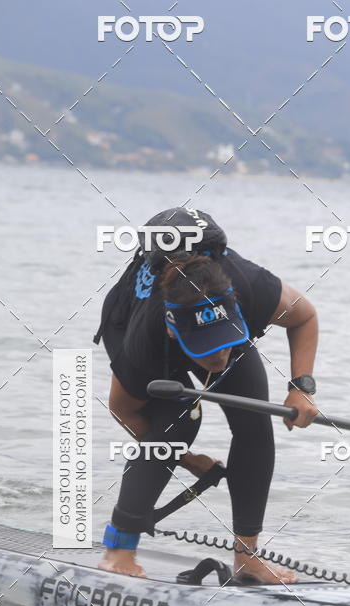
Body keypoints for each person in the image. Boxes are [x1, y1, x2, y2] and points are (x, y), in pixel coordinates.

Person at [94, 207, 319, 584]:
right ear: (172, 329)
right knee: (174, 427)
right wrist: (184, 458)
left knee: (255, 427)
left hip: (212, 314)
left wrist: (301, 388)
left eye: (225, 343)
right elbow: (122, 410)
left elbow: (305, 316)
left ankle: (247, 559)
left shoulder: (248, 285)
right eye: (207, 347)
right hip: (148, 335)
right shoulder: (146, 335)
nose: (219, 357)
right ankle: (118, 550)